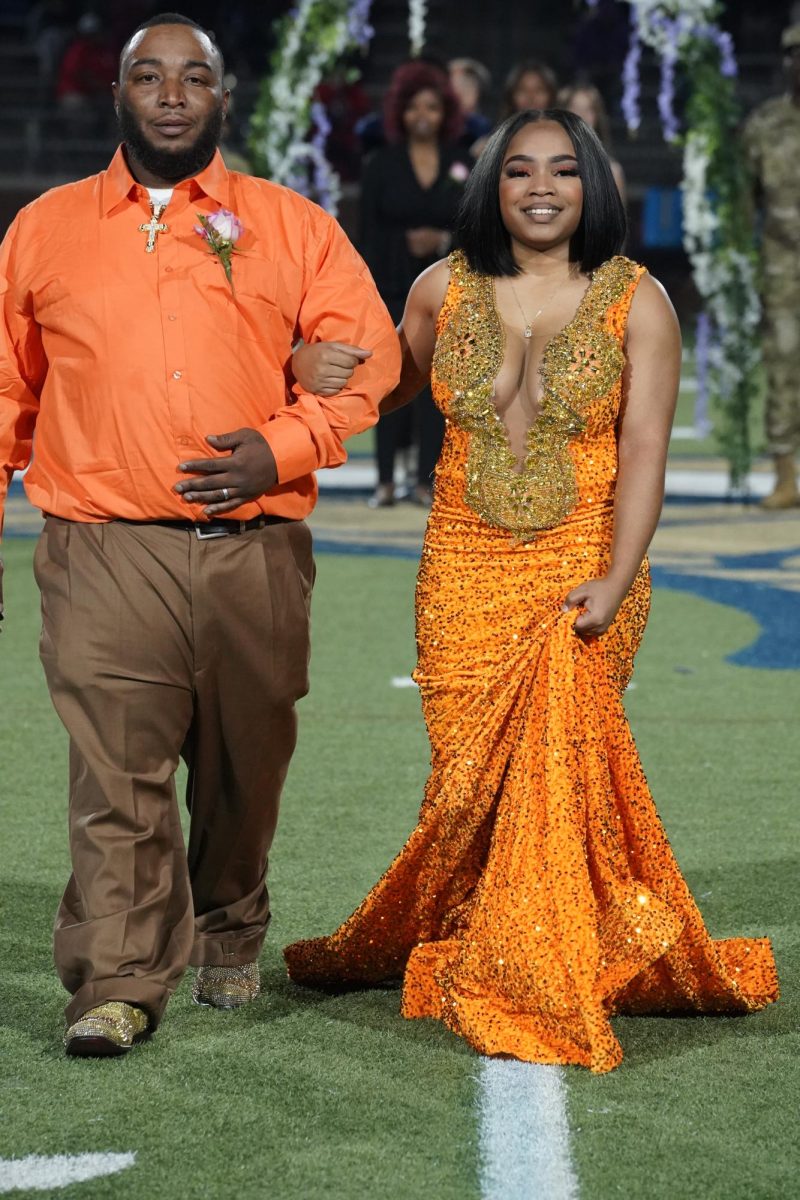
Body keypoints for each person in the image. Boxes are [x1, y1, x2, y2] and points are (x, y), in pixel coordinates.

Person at [285, 109, 779, 1072]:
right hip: (460, 572)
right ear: (493, 188)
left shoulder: (641, 303)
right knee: (470, 788)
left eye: (563, 171)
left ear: (593, 186)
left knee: (556, 777)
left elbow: (645, 456)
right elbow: (373, 391)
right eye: (520, 171)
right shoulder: (438, 289)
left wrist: (619, 573)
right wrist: (302, 367)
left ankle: (538, 959)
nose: (542, 187)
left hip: (583, 568)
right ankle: (491, 931)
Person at [0, 11, 399, 1057]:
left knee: (241, 768)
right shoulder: (43, 229)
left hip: (256, 551)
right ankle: (117, 981)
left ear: (223, 99)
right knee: (116, 778)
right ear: (118, 95)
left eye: (193, 77)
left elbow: (369, 355)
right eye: (148, 75)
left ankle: (229, 925)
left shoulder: (292, 224)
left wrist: (286, 442)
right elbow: (4, 392)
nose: (171, 92)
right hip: (102, 548)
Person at [359, 62, 469, 506]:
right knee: (388, 379)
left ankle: (426, 481)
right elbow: (366, 231)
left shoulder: (463, 163)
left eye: (433, 107)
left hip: (448, 290)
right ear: (400, 112)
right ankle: (384, 480)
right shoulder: (380, 164)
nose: (423, 115)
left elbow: (473, 224)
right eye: (415, 107)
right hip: (391, 285)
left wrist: (442, 239)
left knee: (438, 390)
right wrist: (404, 240)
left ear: (446, 113)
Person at [743, 23, 800, 509]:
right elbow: (744, 202)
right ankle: (786, 474)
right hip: (783, 269)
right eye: (795, 55)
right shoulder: (765, 124)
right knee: (783, 366)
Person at [558, 82, 626, 203]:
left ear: (597, 117)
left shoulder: (611, 171)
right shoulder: (546, 164)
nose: (582, 115)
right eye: (576, 108)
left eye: (589, 109)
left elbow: (616, 220)